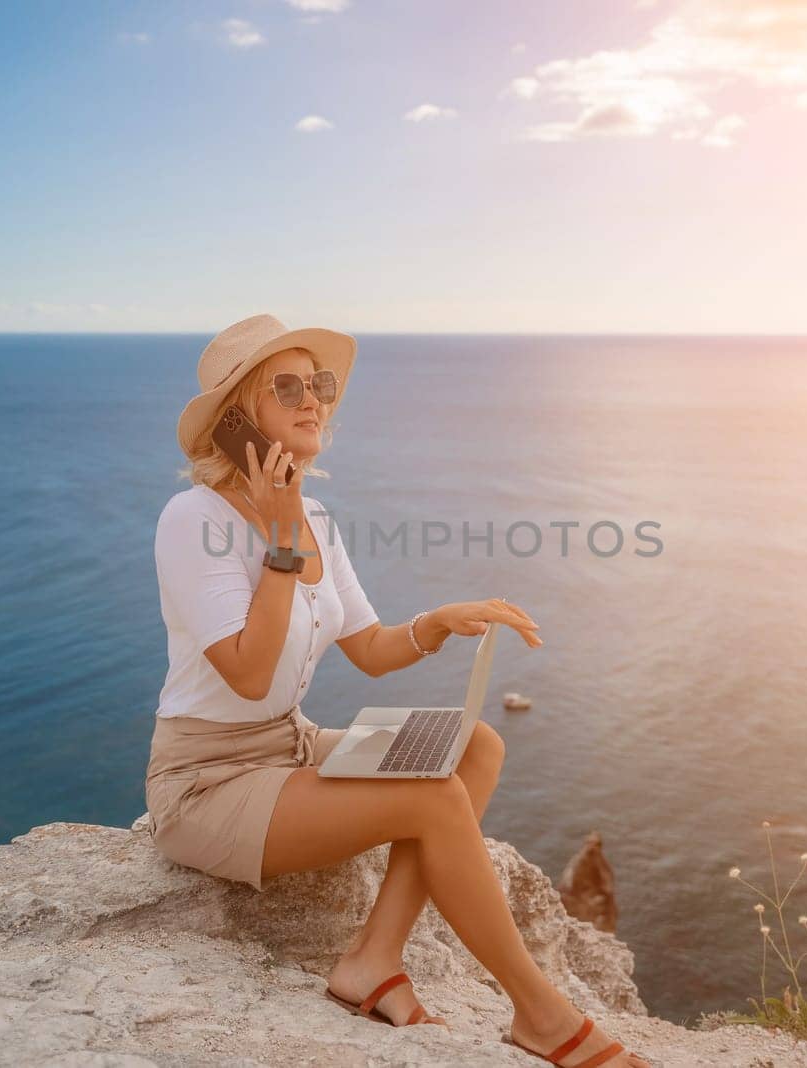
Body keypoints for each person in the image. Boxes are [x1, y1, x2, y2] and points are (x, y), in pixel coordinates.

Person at [147, 313, 649, 1067]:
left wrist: (436, 623)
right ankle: (541, 1014)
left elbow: (372, 652)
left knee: (473, 746)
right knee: (429, 795)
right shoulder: (193, 520)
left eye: (319, 385)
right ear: (237, 422)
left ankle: (372, 959)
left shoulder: (314, 516)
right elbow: (248, 673)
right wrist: (280, 544)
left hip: (288, 745)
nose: (315, 400)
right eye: (287, 388)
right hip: (208, 780)